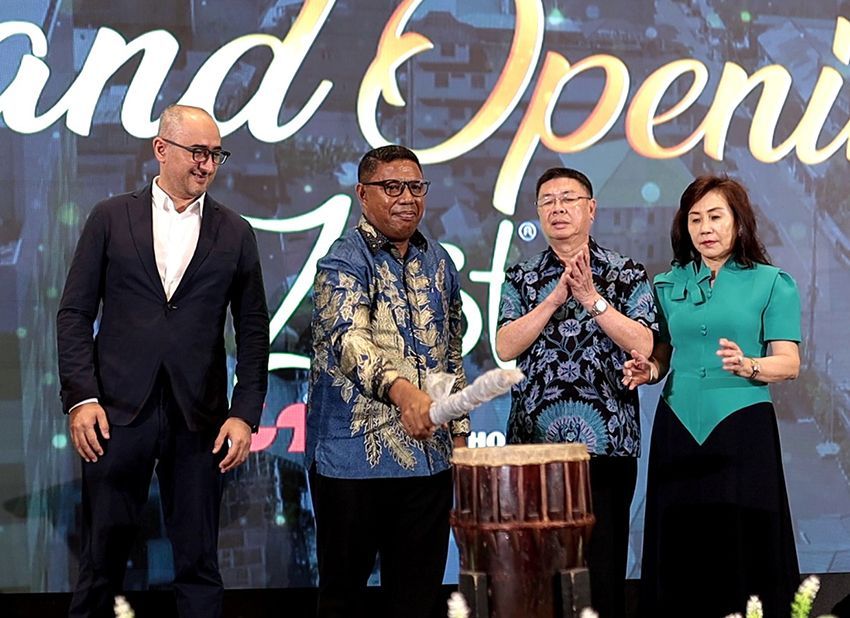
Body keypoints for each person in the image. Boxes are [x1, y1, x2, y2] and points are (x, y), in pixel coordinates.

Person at [57, 104, 270, 618]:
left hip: (199, 420)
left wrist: (244, 414)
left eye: (215, 153)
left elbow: (253, 329)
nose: (207, 164)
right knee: (100, 564)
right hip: (114, 414)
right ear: (161, 149)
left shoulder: (235, 231)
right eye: (197, 151)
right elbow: (74, 313)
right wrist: (81, 398)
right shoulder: (110, 217)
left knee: (199, 566)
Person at [623, 175, 801, 617]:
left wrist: (750, 366)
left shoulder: (773, 283)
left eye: (715, 216)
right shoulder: (665, 285)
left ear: (738, 223)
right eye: (695, 218)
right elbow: (662, 354)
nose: (704, 227)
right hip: (678, 425)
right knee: (680, 542)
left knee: (743, 540)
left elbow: (790, 363)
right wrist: (650, 370)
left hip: (743, 427)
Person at [307, 144, 469, 618]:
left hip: (428, 464)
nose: (406, 198)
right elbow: (349, 342)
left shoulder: (438, 260)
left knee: (418, 599)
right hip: (352, 462)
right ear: (362, 193)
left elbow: (448, 353)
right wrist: (405, 394)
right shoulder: (342, 261)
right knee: (343, 598)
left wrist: (457, 433)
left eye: (416, 187)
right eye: (391, 187)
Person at [497, 167, 658, 618]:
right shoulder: (522, 276)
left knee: (601, 571)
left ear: (591, 209)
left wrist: (591, 299)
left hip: (606, 443)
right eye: (547, 201)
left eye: (568, 198)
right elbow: (505, 345)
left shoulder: (626, 272)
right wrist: (552, 299)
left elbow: (644, 343)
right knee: (540, 570)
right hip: (535, 447)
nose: (558, 208)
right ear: (538, 213)